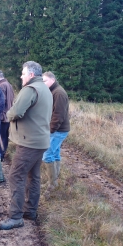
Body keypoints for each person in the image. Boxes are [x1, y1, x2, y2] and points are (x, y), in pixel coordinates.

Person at [0, 61, 52, 230]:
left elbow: (16, 111)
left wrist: (8, 113)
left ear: (31, 75)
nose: (21, 76)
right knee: (33, 176)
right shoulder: (45, 89)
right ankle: (30, 211)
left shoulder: (30, 89)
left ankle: (15, 217)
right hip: (40, 141)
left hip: (29, 143)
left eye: (23, 73)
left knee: (16, 176)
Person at [41, 71, 70, 199]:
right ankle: (54, 182)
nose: (43, 83)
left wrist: (50, 130)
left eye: (45, 81)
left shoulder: (58, 93)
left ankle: (52, 184)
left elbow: (58, 115)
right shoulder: (53, 91)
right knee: (55, 153)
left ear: (52, 80)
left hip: (58, 130)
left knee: (47, 155)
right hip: (58, 130)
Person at [0, 70, 15, 162]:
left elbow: (1, 101)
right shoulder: (9, 85)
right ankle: (2, 154)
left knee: (0, 137)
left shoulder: (1, 86)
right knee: (5, 136)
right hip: (8, 116)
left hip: (1, 116)